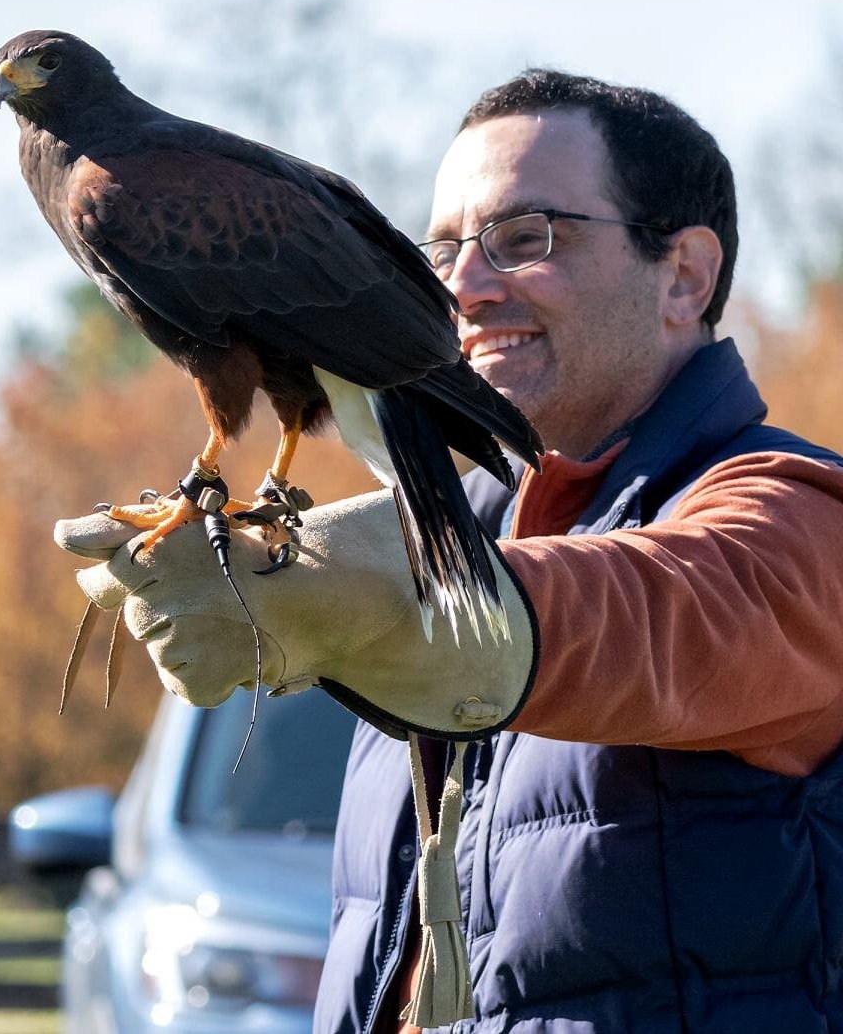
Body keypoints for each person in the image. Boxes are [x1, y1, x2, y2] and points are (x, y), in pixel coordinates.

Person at [56, 71, 843, 1033]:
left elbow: (652, 611)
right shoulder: (448, 520)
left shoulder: (798, 514)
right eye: (443, 250)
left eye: (527, 240)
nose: (464, 288)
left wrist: (396, 594)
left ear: (684, 275)